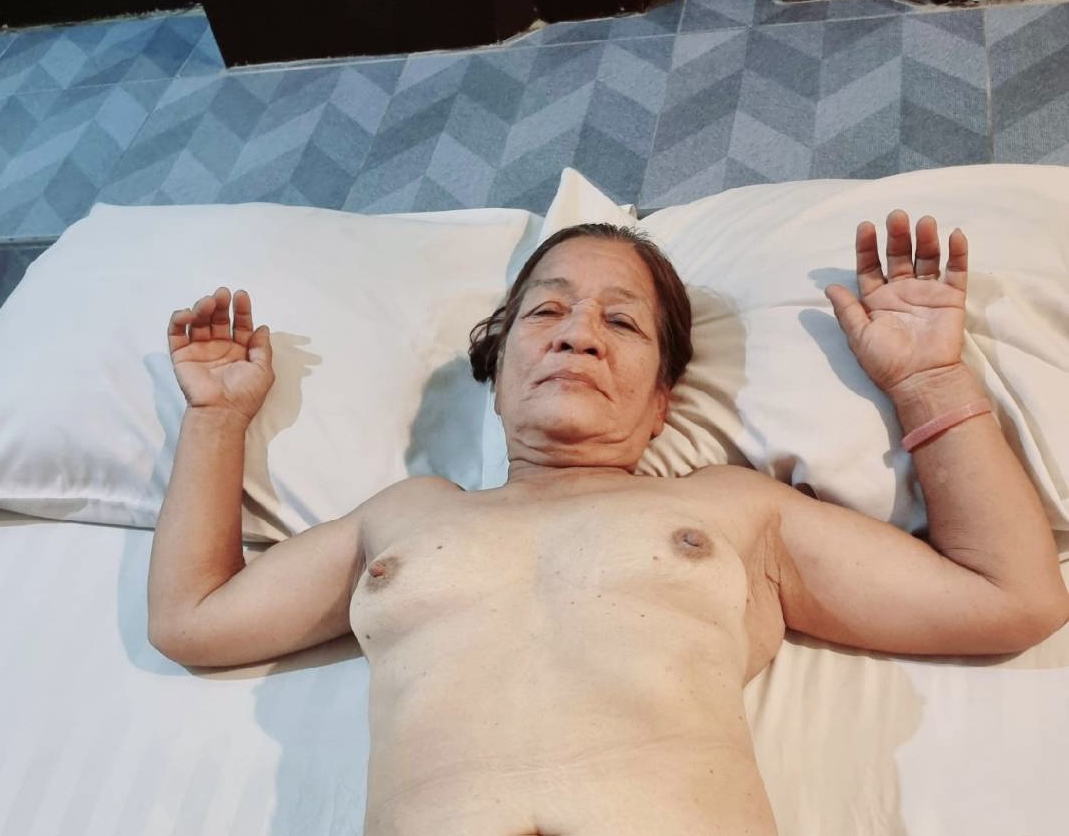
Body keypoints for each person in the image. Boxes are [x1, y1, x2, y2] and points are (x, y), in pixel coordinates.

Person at [148, 211, 1069, 836]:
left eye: (622, 323)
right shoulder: (405, 515)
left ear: (663, 399)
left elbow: (1011, 597)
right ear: (495, 372)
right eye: (546, 310)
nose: (577, 332)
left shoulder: (728, 508)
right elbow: (193, 619)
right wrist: (217, 419)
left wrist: (927, 380)